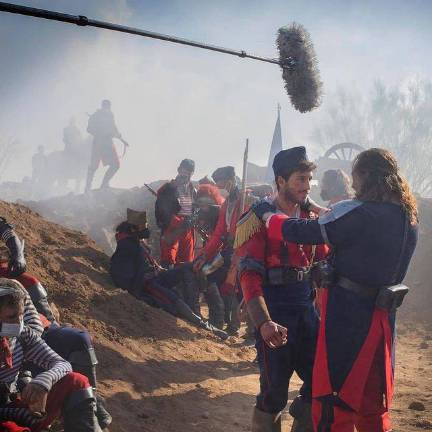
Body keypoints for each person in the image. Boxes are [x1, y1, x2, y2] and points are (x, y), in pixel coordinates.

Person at [252, 148, 418, 432]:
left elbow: (303, 232)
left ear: (366, 176)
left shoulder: (360, 214)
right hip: (381, 320)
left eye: (356, 177)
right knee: (371, 402)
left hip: (349, 321)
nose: (353, 184)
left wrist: (268, 215)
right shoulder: (407, 215)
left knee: (334, 399)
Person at [235, 147, 329, 432]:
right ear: (280, 181)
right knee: (274, 391)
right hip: (274, 309)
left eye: (309, 179)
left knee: (320, 382)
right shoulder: (258, 220)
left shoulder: (311, 217)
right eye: (300, 179)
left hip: (306, 309)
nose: (307, 186)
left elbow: (323, 258)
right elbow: (249, 275)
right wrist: (263, 322)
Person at [110, 209, 227, 340]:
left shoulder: (136, 241)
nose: (146, 228)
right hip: (148, 284)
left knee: (188, 268)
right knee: (173, 298)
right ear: (133, 229)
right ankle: (204, 325)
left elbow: (147, 263)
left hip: (156, 277)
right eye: (143, 226)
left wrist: (158, 270)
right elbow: (122, 276)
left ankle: (195, 310)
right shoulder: (126, 245)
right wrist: (139, 291)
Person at [0, 282, 101, 431]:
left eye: (21, 315)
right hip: (7, 414)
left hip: (14, 404)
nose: (18, 322)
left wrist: (43, 382)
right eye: (11, 316)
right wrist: (18, 414)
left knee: (77, 381)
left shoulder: (23, 335)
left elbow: (63, 364)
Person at [194, 166, 257, 336]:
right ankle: (224, 320)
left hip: (248, 252)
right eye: (219, 183)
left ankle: (249, 330)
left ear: (231, 179)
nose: (222, 186)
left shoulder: (249, 199)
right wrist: (205, 255)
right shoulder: (227, 203)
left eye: (223, 182)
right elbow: (219, 232)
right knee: (210, 274)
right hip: (230, 251)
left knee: (245, 288)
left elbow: (254, 228)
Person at [155, 159, 196, 268]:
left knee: (186, 264)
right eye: (184, 170)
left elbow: (195, 209)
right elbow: (161, 212)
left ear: (192, 173)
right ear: (179, 170)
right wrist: (176, 223)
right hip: (171, 228)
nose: (186, 173)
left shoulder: (193, 190)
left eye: (189, 171)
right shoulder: (167, 188)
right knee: (168, 261)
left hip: (188, 229)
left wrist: (192, 219)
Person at [195, 184, 225, 329]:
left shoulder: (220, 211)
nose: (202, 206)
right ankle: (217, 318)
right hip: (215, 250)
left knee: (206, 274)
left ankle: (218, 319)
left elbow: (218, 236)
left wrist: (204, 255)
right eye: (200, 203)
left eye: (205, 203)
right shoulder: (205, 213)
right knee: (207, 277)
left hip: (226, 251)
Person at [85, 99, 125, 192]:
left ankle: (104, 184)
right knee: (94, 166)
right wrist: (99, 133)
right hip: (98, 143)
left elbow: (113, 128)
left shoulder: (110, 115)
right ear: (103, 106)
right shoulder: (96, 116)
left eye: (108, 107)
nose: (107, 108)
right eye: (106, 106)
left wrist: (119, 136)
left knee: (115, 165)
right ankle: (87, 188)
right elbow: (89, 129)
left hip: (107, 143)